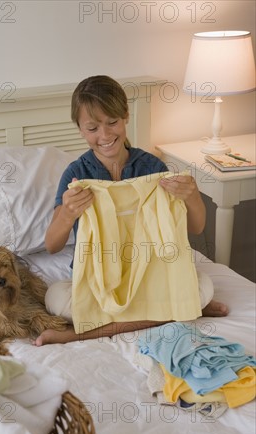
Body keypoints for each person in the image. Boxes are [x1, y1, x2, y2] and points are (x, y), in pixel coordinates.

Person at [34, 75, 228, 347]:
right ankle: (178, 309)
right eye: (92, 128)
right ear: (79, 128)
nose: (105, 135)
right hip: (97, 281)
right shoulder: (77, 173)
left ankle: (79, 333)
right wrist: (67, 214)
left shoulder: (151, 168)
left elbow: (195, 228)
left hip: (150, 274)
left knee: (204, 284)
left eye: (112, 122)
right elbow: (53, 245)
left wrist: (193, 197)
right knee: (55, 298)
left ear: (126, 116)